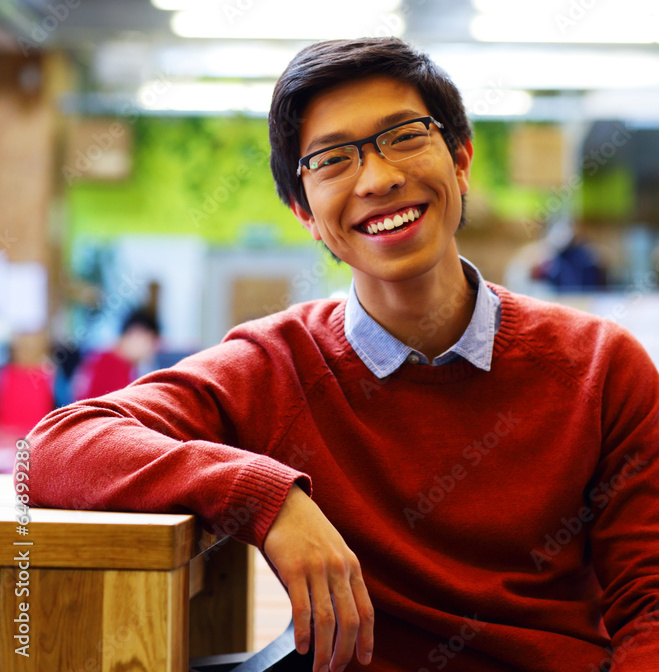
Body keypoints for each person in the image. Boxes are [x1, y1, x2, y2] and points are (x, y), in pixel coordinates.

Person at [25, 39, 659, 672]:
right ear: (305, 213)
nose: (379, 178)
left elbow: (649, 608)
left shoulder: (601, 369)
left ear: (461, 161)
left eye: (405, 136)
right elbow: (58, 446)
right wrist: (266, 499)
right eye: (332, 159)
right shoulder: (274, 365)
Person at [72, 308, 160, 400]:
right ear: (137, 333)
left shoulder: (104, 358)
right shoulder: (112, 367)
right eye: (150, 343)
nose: (151, 351)